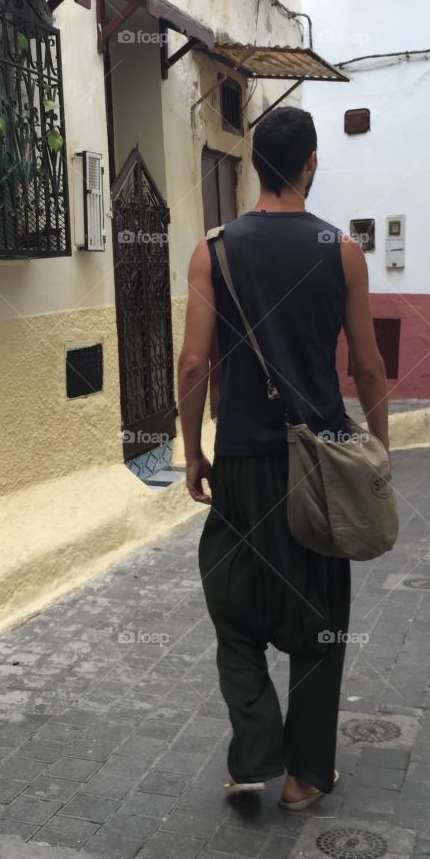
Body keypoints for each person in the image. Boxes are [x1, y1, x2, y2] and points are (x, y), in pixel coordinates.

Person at [177, 105, 389, 809]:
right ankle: (304, 776)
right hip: (321, 460)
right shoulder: (342, 251)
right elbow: (367, 366)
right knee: (320, 616)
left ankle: (254, 751)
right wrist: (378, 449)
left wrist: (193, 451)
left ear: (254, 162)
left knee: (232, 606)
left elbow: (193, 364)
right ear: (311, 163)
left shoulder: (214, 250)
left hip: (241, 458)